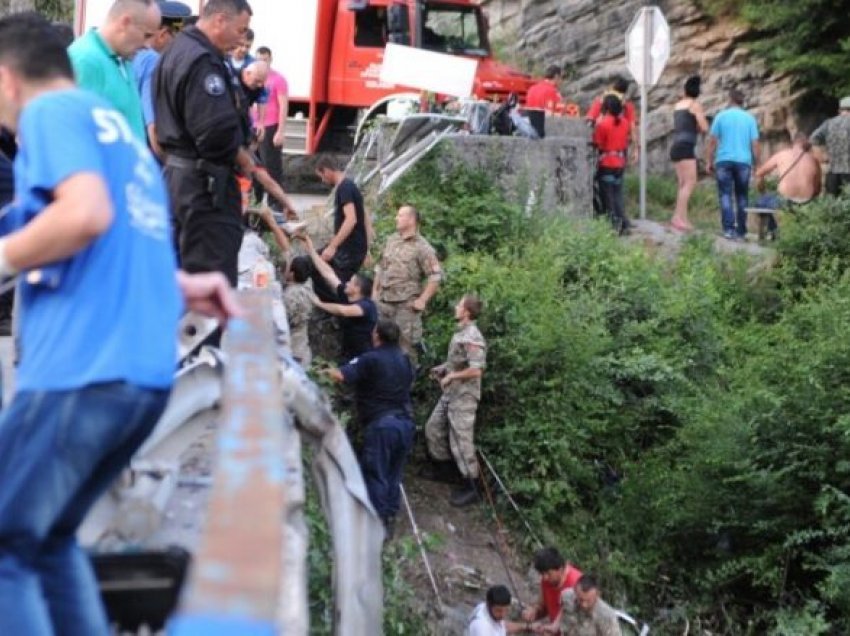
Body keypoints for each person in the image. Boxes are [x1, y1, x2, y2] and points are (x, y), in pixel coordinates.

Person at [0, 13, 240, 634]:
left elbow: (84, 216)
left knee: (7, 550)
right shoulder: (121, 138)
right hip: (141, 378)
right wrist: (184, 283)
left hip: (81, 373)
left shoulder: (51, 114)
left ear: (6, 79)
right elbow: (131, 242)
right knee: (49, 540)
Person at [154, 0, 253, 286]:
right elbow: (215, 132)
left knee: (181, 281)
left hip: (178, 178)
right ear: (220, 20)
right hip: (205, 186)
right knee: (210, 288)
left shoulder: (175, 50)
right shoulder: (201, 60)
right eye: (240, 29)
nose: (241, 39)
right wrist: (240, 155)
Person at [327, 318, 415, 538]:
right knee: (393, 474)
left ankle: (373, 528)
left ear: (376, 336)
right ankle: (388, 520)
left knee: (376, 475)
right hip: (405, 424)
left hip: (382, 426)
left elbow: (340, 375)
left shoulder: (370, 359)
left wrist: (316, 370)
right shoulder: (405, 360)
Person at [423, 294, 487, 507]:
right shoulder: (461, 333)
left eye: (459, 304)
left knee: (461, 441)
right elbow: (459, 363)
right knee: (433, 429)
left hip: (464, 397)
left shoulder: (473, 336)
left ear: (467, 312)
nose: (455, 307)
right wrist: (444, 369)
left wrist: (452, 376)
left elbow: (476, 370)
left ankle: (473, 487)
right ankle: (447, 472)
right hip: (451, 393)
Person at [68, 0, 162, 143]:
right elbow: (73, 133)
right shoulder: (85, 60)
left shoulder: (123, 58)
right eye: (147, 35)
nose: (148, 46)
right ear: (125, 22)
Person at [373, 205, 442, 362]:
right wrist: (374, 292)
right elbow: (380, 266)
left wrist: (422, 300)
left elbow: (436, 276)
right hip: (384, 304)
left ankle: (405, 384)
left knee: (405, 350)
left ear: (411, 219)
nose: (396, 218)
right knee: (380, 346)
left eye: (400, 215)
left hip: (406, 307)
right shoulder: (392, 240)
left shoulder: (423, 247)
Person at [299, 232, 377, 361]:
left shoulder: (367, 306)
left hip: (364, 357)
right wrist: (311, 249)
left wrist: (318, 303)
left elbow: (343, 311)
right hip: (348, 351)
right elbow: (328, 273)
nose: (346, 283)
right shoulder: (347, 295)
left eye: (350, 282)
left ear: (357, 289)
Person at [132, 0, 192, 158]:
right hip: (146, 153)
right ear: (163, 35)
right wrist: (168, 162)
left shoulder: (130, 55)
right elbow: (153, 125)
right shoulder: (154, 62)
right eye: (177, 37)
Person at [705, 88, 760, 240]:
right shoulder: (749, 119)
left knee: (725, 194)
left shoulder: (721, 116)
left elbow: (712, 142)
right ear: (742, 101)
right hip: (744, 162)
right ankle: (741, 231)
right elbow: (755, 143)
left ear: (729, 100)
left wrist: (709, 161)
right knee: (742, 196)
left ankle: (729, 229)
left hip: (723, 161)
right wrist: (757, 164)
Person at [314, 155, 371, 300]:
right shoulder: (350, 185)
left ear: (326, 171)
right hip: (353, 249)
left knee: (337, 286)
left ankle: (341, 313)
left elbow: (351, 220)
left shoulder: (344, 187)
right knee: (314, 260)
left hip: (349, 252)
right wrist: (367, 248)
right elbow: (365, 217)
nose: (323, 181)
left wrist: (332, 246)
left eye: (321, 176)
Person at [753, 132, 821, 240]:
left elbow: (759, 173)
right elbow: (818, 187)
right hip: (806, 201)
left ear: (792, 143)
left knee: (761, 202)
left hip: (785, 200)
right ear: (806, 144)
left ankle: (775, 231)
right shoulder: (814, 159)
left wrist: (762, 189)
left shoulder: (782, 154)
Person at [669, 76, 709, 232]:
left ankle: (681, 218)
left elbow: (684, 124)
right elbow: (704, 127)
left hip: (676, 145)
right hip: (686, 146)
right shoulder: (694, 105)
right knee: (690, 182)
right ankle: (678, 218)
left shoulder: (677, 105)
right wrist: (700, 123)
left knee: (682, 184)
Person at [253, 46, 289, 207]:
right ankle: (256, 202)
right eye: (259, 59)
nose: (262, 62)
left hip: (271, 127)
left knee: (272, 168)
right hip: (254, 128)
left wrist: (280, 131)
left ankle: (276, 205)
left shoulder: (278, 79)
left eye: (265, 59)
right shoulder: (253, 77)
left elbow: (283, 106)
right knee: (255, 167)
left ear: (270, 59)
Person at [592, 94, 632, 235]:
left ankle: (614, 226)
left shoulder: (603, 124)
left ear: (606, 108)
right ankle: (624, 224)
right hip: (620, 163)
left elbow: (598, 144)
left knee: (607, 196)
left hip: (607, 163)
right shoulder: (625, 122)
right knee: (617, 194)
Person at [521, 547, 584, 631]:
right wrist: (534, 611)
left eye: (548, 574)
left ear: (560, 569)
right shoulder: (547, 580)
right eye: (542, 574)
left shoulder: (577, 584)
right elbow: (543, 606)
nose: (545, 578)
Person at [546, 575, 621, 636]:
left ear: (598, 595)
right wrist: (554, 627)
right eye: (580, 599)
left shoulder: (607, 616)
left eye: (588, 601)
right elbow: (563, 611)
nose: (584, 605)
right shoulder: (567, 597)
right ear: (575, 591)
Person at [810, 96, 850, 196]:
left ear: (840, 110)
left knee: (832, 203)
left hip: (832, 170)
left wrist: (821, 156)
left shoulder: (829, 123)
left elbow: (813, 138)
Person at [281, 255, 313, 367]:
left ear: (292, 274)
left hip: (291, 352)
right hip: (303, 348)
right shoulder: (308, 286)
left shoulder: (290, 296)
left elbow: (281, 323)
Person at [525, 65, 563, 138]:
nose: (561, 81)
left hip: (530, 128)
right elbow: (557, 116)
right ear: (556, 77)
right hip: (545, 132)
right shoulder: (554, 92)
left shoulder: (531, 89)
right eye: (561, 77)